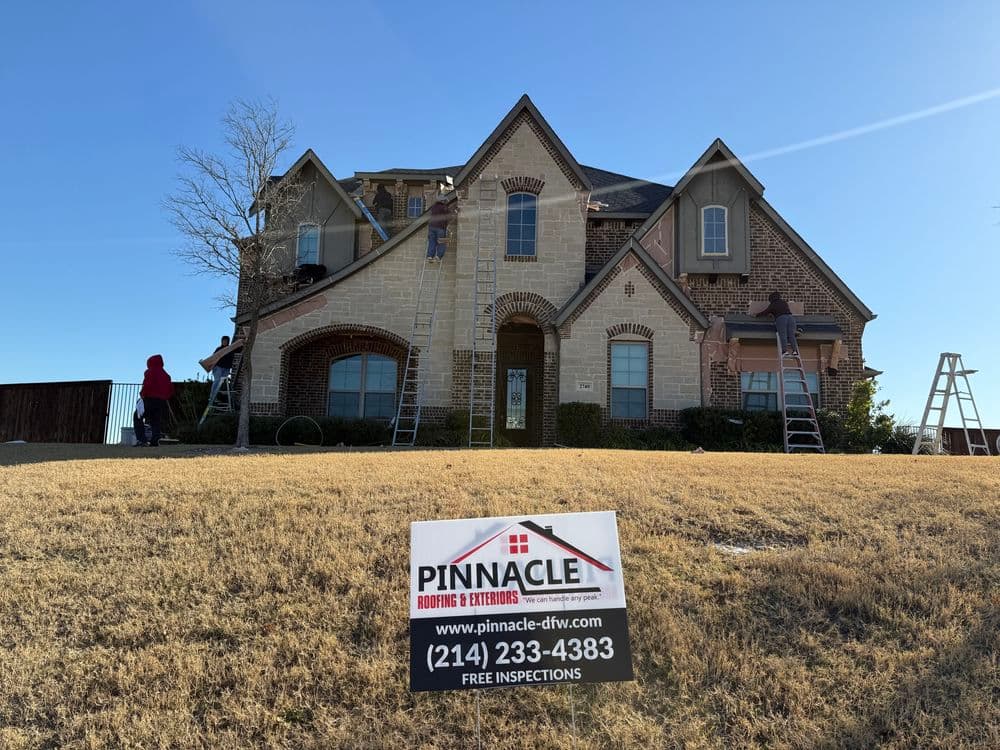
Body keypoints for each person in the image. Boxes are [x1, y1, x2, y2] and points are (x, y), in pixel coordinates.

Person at [140, 354, 174, 447]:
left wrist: (142, 395)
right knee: (156, 420)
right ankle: (155, 440)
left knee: (138, 416)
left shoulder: (149, 372)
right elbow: (170, 389)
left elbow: (147, 385)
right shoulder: (166, 375)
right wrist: (165, 396)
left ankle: (141, 439)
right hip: (161, 401)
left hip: (149, 399)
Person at [756, 291, 799, 356]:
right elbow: (781, 310)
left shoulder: (773, 304)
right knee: (791, 335)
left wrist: (756, 315)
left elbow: (765, 312)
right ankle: (795, 351)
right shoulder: (784, 302)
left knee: (783, 334)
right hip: (791, 318)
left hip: (781, 319)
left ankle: (785, 351)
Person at [427, 195, 456, 261]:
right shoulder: (444, 207)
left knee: (432, 242)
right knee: (441, 242)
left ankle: (430, 256)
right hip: (440, 228)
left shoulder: (433, 207)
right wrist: (455, 212)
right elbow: (450, 216)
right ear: (443, 201)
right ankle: (438, 256)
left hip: (431, 227)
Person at [209, 335, 235, 404]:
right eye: (224, 341)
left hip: (226, 369)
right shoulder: (219, 349)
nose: (225, 342)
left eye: (226, 341)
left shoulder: (230, 349)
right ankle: (212, 397)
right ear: (222, 341)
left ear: (228, 342)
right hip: (218, 367)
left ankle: (215, 397)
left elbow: (238, 349)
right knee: (217, 380)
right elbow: (213, 358)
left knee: (220, 383)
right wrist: (211, 366)